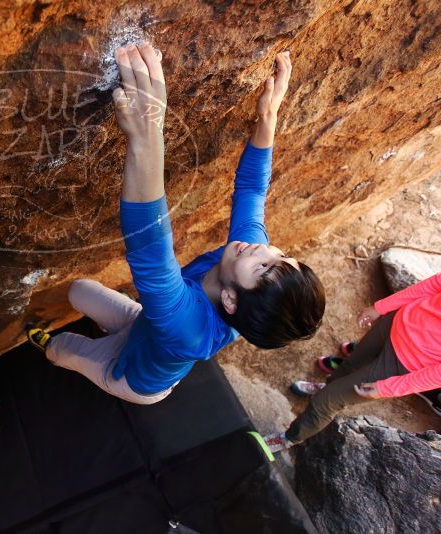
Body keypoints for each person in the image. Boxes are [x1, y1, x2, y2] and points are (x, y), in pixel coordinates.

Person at [27, 45, 324, 405]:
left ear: (230, 299)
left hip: (133, 377)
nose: (265, 248)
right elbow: (252, 190)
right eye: (281, 255)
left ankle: (47, 344)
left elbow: (150, 248)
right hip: (147, 323)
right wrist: (268, 117)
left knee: (67, 350)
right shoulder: (245, 268)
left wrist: (147, 134)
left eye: (264, 265)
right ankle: (120, 327)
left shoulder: (190, 330)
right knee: (78, 291)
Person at [266, 272, 441, 452]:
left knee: (325, 402)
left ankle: (288, 438)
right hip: (398, 321)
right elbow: (433, 285)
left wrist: (386, 388)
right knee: (350, 366)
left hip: (406, 361)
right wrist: (381, 308)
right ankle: (327, 385)